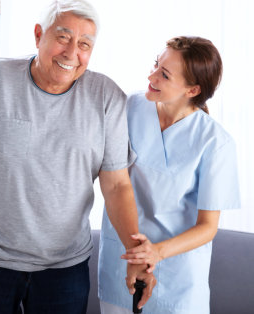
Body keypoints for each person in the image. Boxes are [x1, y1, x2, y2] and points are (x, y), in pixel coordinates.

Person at [0, 1, 156, 313]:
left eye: (84, 44)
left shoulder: (106, 96)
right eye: (63, 38)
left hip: (64, 268)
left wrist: (134, 253)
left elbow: (116, 186)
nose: (72, 52)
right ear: (38, 35)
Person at [99, 36, 241, 314]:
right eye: (156, 65)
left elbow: (207, 227)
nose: (151, 76)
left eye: (164, 74)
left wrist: (155, 253)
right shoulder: (128, 109)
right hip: (122, 264)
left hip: (177, 279)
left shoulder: (215, 142)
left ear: (192, 90)